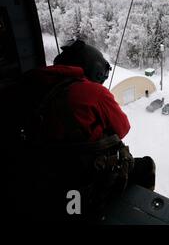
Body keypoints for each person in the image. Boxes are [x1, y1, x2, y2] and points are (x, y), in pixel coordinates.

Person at [13, 39, 155, 221]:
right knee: (146, 166)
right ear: (94, 70)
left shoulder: (30, 83)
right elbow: (123, 128)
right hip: (79, 179)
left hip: (40, 175)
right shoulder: (94, 92)